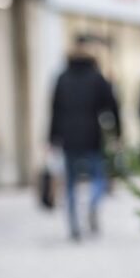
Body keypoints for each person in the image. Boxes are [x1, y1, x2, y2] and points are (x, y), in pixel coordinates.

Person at [49, 36, 121, 241]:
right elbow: (113, 107)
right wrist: (117, 133)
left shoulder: (62, 78)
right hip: (92, 135)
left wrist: (52, 138)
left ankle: (74, 225)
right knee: (98, 177)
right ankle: (91, 205)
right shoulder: (97, 78)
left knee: (70, 182)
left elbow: (55, 111)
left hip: (68, 137)